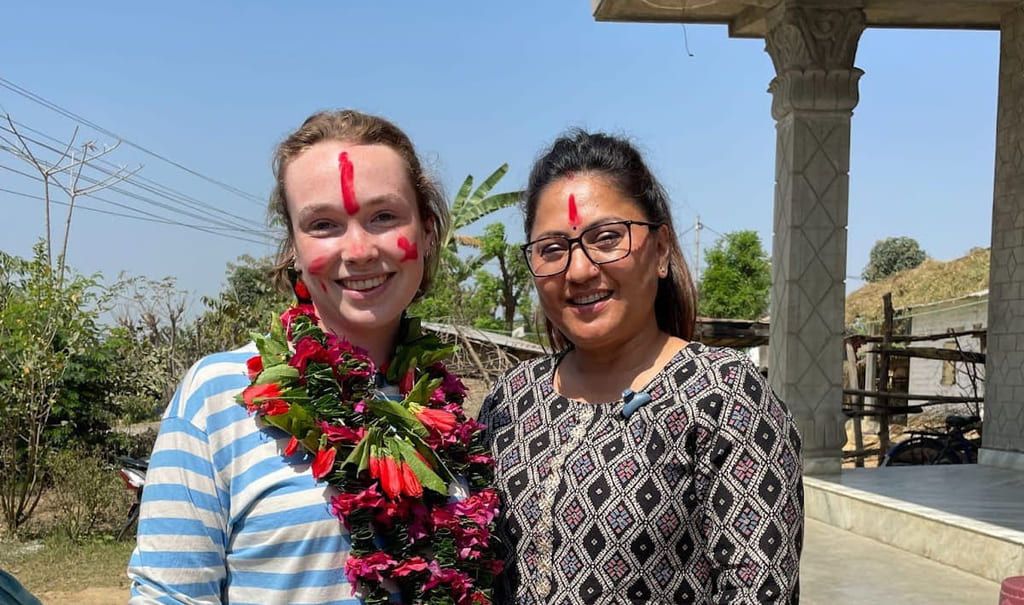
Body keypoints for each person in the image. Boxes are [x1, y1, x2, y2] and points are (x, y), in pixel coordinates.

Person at [128, 110, 450, 603]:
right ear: (294, 248)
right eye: (324, 224)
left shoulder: (446, 411)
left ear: (426, 231)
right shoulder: (221, 396)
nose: (359, 249)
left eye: (383, 216)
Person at [478, 131, 803, 604]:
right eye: (552, 248)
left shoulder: (722, 395)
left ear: (662, 249)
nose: (579, 270)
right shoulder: (510, 399)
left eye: (607, 238)